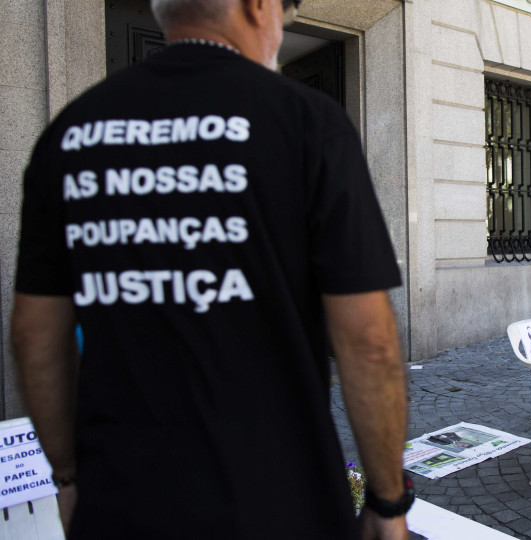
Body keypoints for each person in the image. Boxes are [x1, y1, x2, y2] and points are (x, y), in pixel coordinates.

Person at [11, 1, 411, 538]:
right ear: (258, 5)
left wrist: (67, 475)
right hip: (280, 504)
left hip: (121, 504)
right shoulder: (306, 122)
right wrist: (386, 504)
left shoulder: (71, 132)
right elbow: (369, 342)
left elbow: (34, 333)